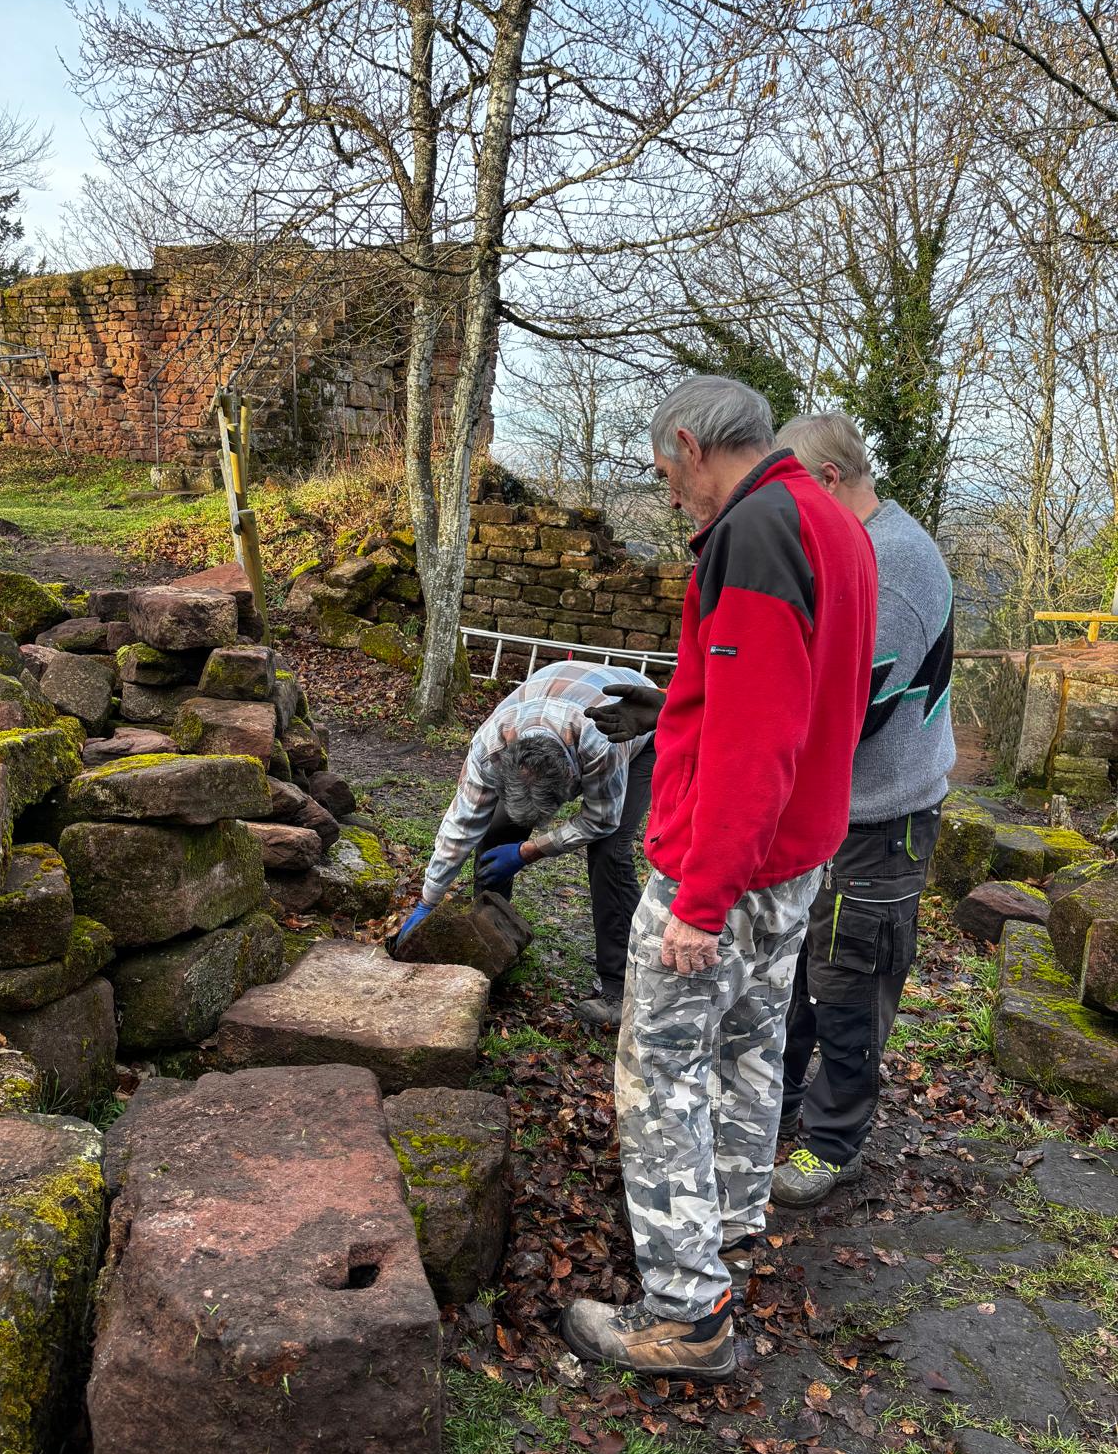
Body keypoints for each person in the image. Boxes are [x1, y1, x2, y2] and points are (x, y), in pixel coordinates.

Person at [559, 377, 877, 1382]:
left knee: (658, 1074)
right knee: (748, 1052)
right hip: (796, 856)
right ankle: (728, 1228)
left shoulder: (756, 530)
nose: (670, 495)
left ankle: (687, 1313)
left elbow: (754, 735)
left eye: (667, 474)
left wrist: (700, 900)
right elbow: (806, 698)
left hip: (728, 866)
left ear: (694, 446)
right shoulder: (835, 521)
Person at [768, 413, 956, 1207]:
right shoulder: (855, 547)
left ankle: (832, 1142)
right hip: (836, 811)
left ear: (829, 480)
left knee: (848, 983)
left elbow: (855, 707)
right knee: (796, 972)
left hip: (881, 821)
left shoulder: (897, 564)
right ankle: (777, 1106)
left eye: (793, 494)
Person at [396, 659, 660, 1025]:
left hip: (636, 724)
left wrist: (529, 851)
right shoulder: (491, 744)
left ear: (571, 780)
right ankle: (493, 938)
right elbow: (461, 823)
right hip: (550, 703)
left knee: (609, 853)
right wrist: (428, 900)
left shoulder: (601, 741)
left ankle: (620, 988)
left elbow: (601, 819)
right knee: (495, 831)